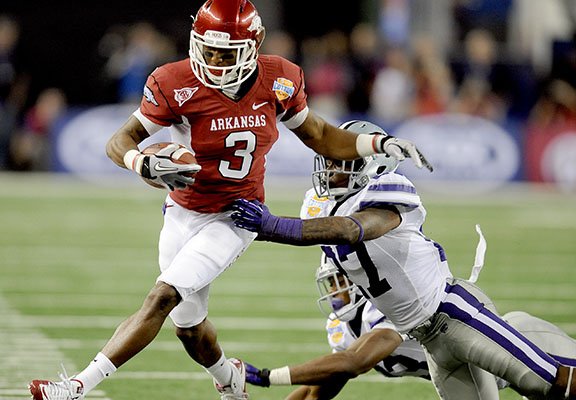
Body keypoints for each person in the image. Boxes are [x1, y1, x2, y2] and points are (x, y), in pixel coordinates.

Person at [27, 2, 431, 400]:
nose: (214, 60)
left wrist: (379, 142)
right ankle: (229, 379)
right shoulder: (174, 82)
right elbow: (120, 140)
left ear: (252, 47)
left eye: (225, 53)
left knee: (162, 297)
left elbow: (322, 136)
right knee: (189, 328)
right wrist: (142, 163)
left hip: (236, 215)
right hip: (181, 211)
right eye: (208, 49)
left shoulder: (279, 79)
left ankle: (75, 387)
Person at [230, 119, 576, 399]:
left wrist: (265, 376)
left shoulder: (387, 194)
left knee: (546, 381)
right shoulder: (350, 310)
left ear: (368, 166)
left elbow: (351, 230)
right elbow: (323, 386)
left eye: (340, 162)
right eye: (328, 161)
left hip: (455, 313)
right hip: (431, 340)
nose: (330, 169)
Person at [242, 256, 576, 400]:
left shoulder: (383, 307)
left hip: (512, 340)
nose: (335, 291)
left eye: (340, 280)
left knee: (567, 383)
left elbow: (355, 362)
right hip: (467, 372)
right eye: (330, 282)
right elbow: (319, 390)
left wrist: (267, 376)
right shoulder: (344, 329)